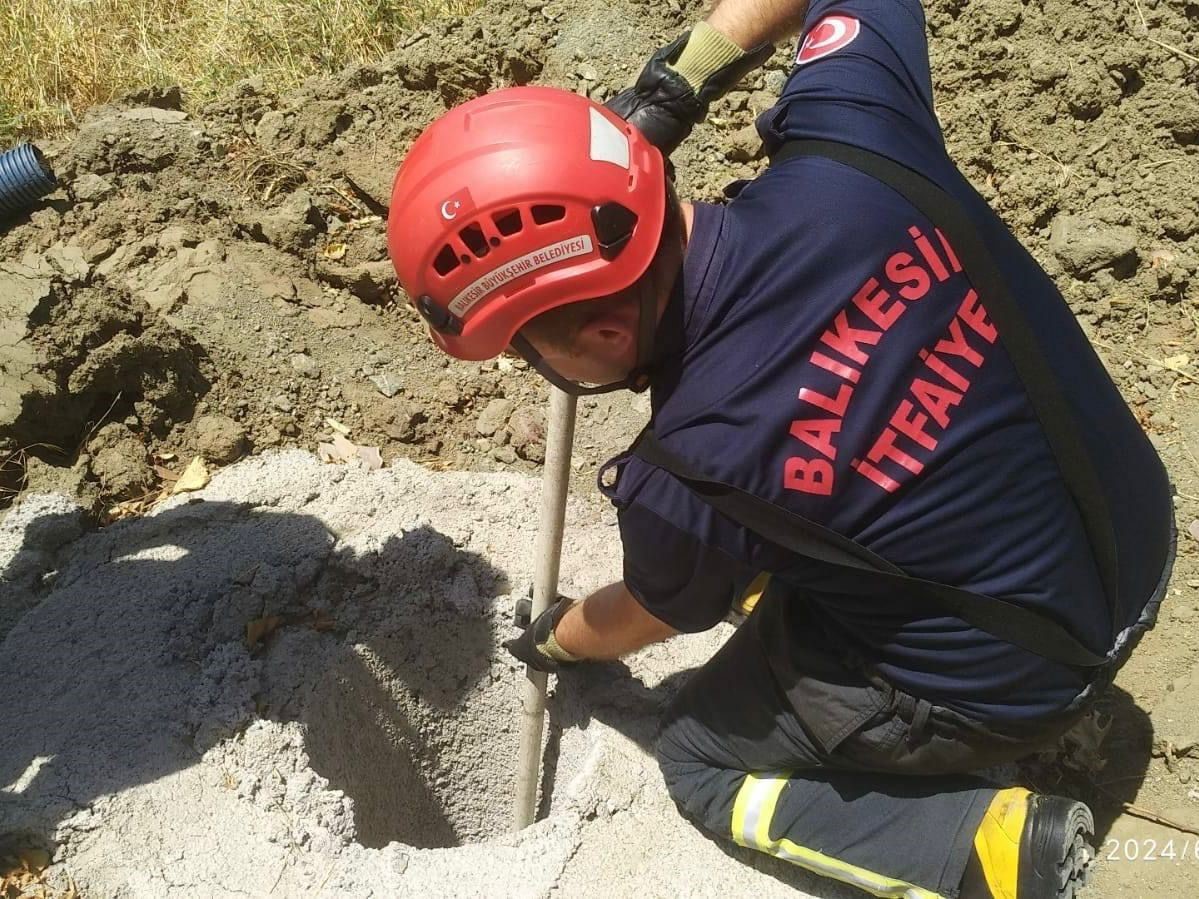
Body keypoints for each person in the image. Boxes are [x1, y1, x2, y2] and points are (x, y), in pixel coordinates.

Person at [386, 1, 1176, 896]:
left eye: (529, 348)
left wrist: (559, 639)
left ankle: (987, 848)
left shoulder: (690, 466)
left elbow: (655, 610)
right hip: (1136, 530)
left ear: (603, 332)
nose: (532, 366)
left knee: (698, 762)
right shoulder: (855, 144)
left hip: (1015, 681)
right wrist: (691, 69)